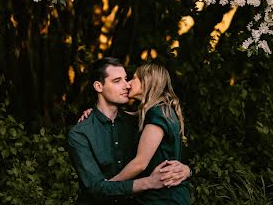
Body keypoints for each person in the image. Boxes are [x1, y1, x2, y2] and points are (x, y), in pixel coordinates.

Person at [67, 57, 191, 205]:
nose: (126, 85)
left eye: (126, 79)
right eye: (117, 81)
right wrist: (148, 182)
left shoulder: (142, 122)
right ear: (99, 86)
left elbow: (170, 154)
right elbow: (95, 188)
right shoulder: (81, 133)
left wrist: (186, 170)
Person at [110, 63, 191, 204]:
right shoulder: (161, 110)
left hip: (162, 198)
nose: (128, 84)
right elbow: (124, 116)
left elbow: (140, 163)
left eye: (133, 78)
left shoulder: (157, 113)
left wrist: (109, 186)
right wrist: (96, 112)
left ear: (146, 82)